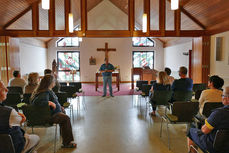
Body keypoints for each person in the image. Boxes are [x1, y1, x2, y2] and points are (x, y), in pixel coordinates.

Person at [31, 75, 77, 148]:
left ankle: (65, 138)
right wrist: (49, 103)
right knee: (66, 118)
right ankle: (67, 143)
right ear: (50, 82)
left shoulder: (47, 90)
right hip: (49, 116)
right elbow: (36, 102)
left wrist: (59, 106)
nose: (55, 82)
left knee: (64, 116)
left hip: (53, 113)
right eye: (54, 81)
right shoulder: (45, 92)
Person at [0, 81, 40, 153]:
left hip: (22, 104)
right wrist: (17, 117)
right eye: (3, 89)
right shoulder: (9, 112)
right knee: (35, 138)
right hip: (12, 147)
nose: (7, 90)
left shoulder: (25, 86)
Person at [187, 86, 229, 153]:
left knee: (191, 131)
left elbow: (204, 130)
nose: (222, 97)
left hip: (216, 147)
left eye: (222, 95)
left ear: (227, 98)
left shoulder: (219, 113)